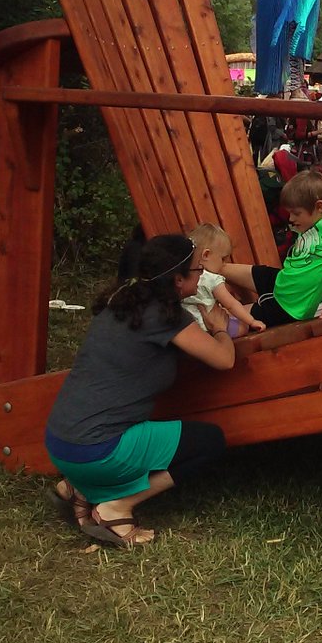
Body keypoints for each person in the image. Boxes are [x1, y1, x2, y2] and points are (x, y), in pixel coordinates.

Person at [45, 234, 234, 548]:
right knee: (209, 441)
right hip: (96, 451)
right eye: (198, 270)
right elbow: (224, 359)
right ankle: (116, 508)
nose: (203, 275)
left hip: (59, 443)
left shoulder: (122, 298)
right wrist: (219, 328)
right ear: (177, 280)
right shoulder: (165, 315)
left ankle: (77, 488)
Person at [223, 170, 322, 325]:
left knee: (228, 317)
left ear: (319, 206)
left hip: (288, 307)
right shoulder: (311, 224)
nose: (291, 219)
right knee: (225, 269)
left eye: (296, 213)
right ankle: (211, 272)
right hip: (282, 281)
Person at [183, 223, 266, 338]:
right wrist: (252, 321)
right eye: (222, 259)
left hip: (192, 332)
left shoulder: (184, 277)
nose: (224, 264)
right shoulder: (212, 279)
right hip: (210, 328)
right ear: (206, 255)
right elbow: (231, 304)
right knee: (242, 326)